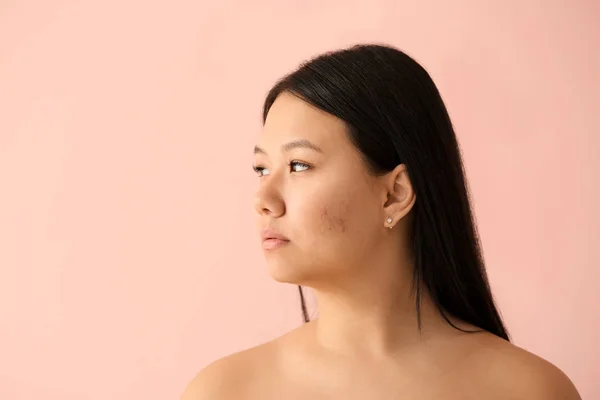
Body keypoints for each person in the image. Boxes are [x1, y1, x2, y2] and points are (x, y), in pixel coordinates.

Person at [181, 43, 581, 399]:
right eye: (261, 169)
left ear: (395, 194)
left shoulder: (530, 391)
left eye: (299, 165)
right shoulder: (224, 391)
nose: (264, 200)